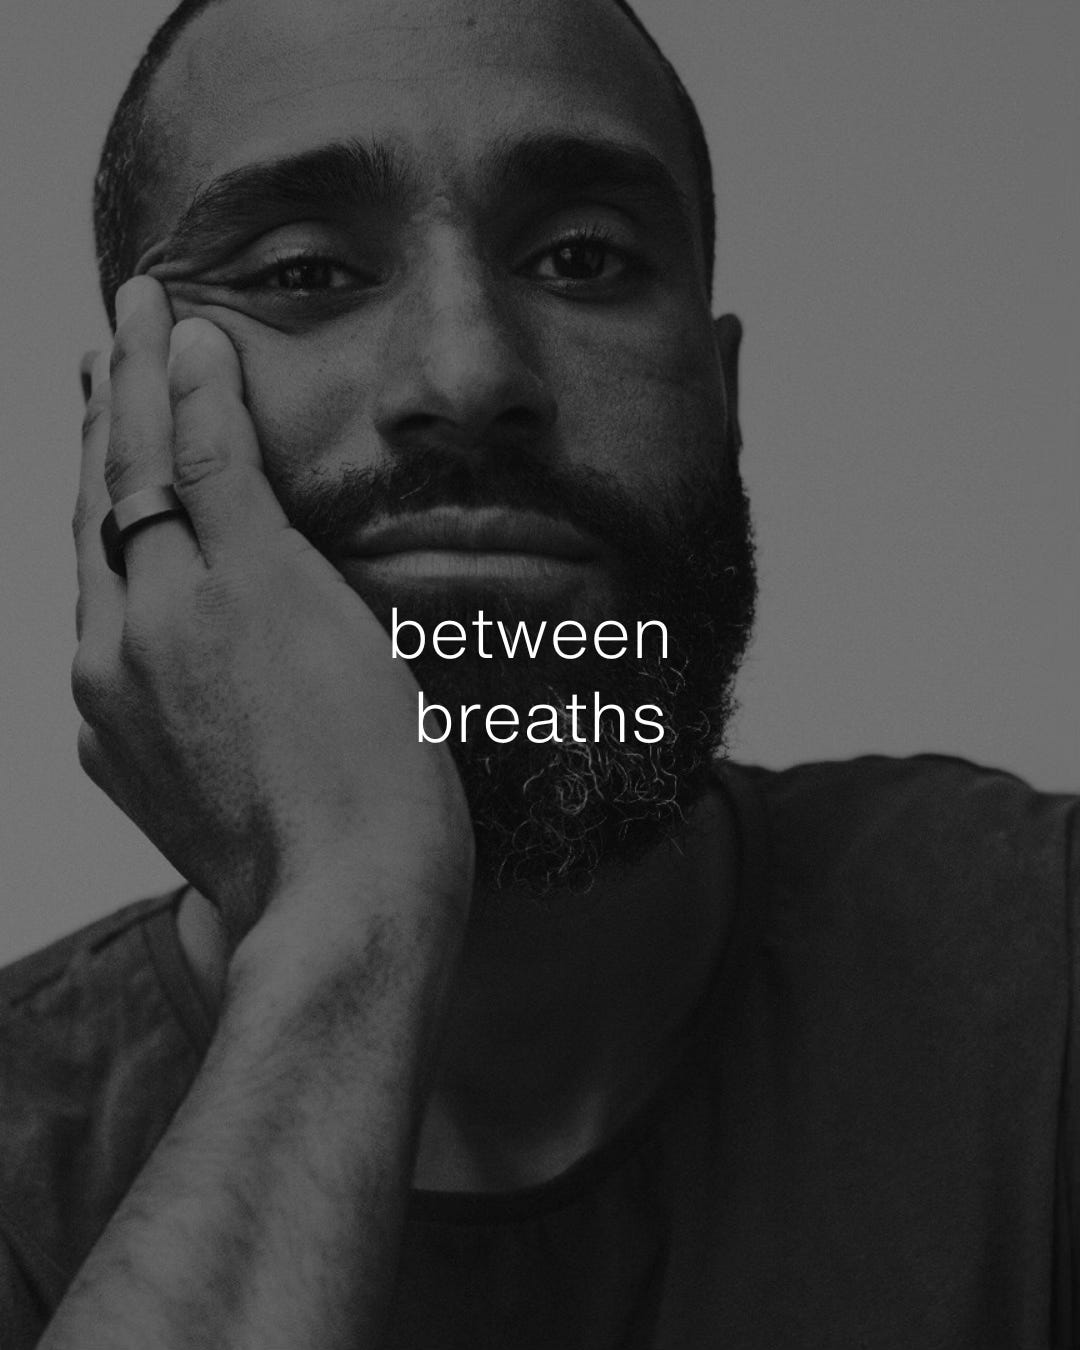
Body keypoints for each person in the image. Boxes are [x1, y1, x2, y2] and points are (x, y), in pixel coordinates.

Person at [0, 0, 1075, 1344]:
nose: (468, 374)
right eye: (305, 272)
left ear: (724, 397)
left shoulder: (1042, 978)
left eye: (582, 258)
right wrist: (350, 915)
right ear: (129, 434)